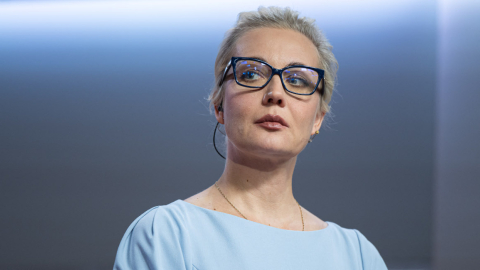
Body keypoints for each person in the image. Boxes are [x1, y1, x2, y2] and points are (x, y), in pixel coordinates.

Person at [113, 6, 388, 270]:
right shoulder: (166, 236)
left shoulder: (357, 256)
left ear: (317, 118)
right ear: (220, 105)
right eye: (252, 73)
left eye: (296, 80)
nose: (275, 93)